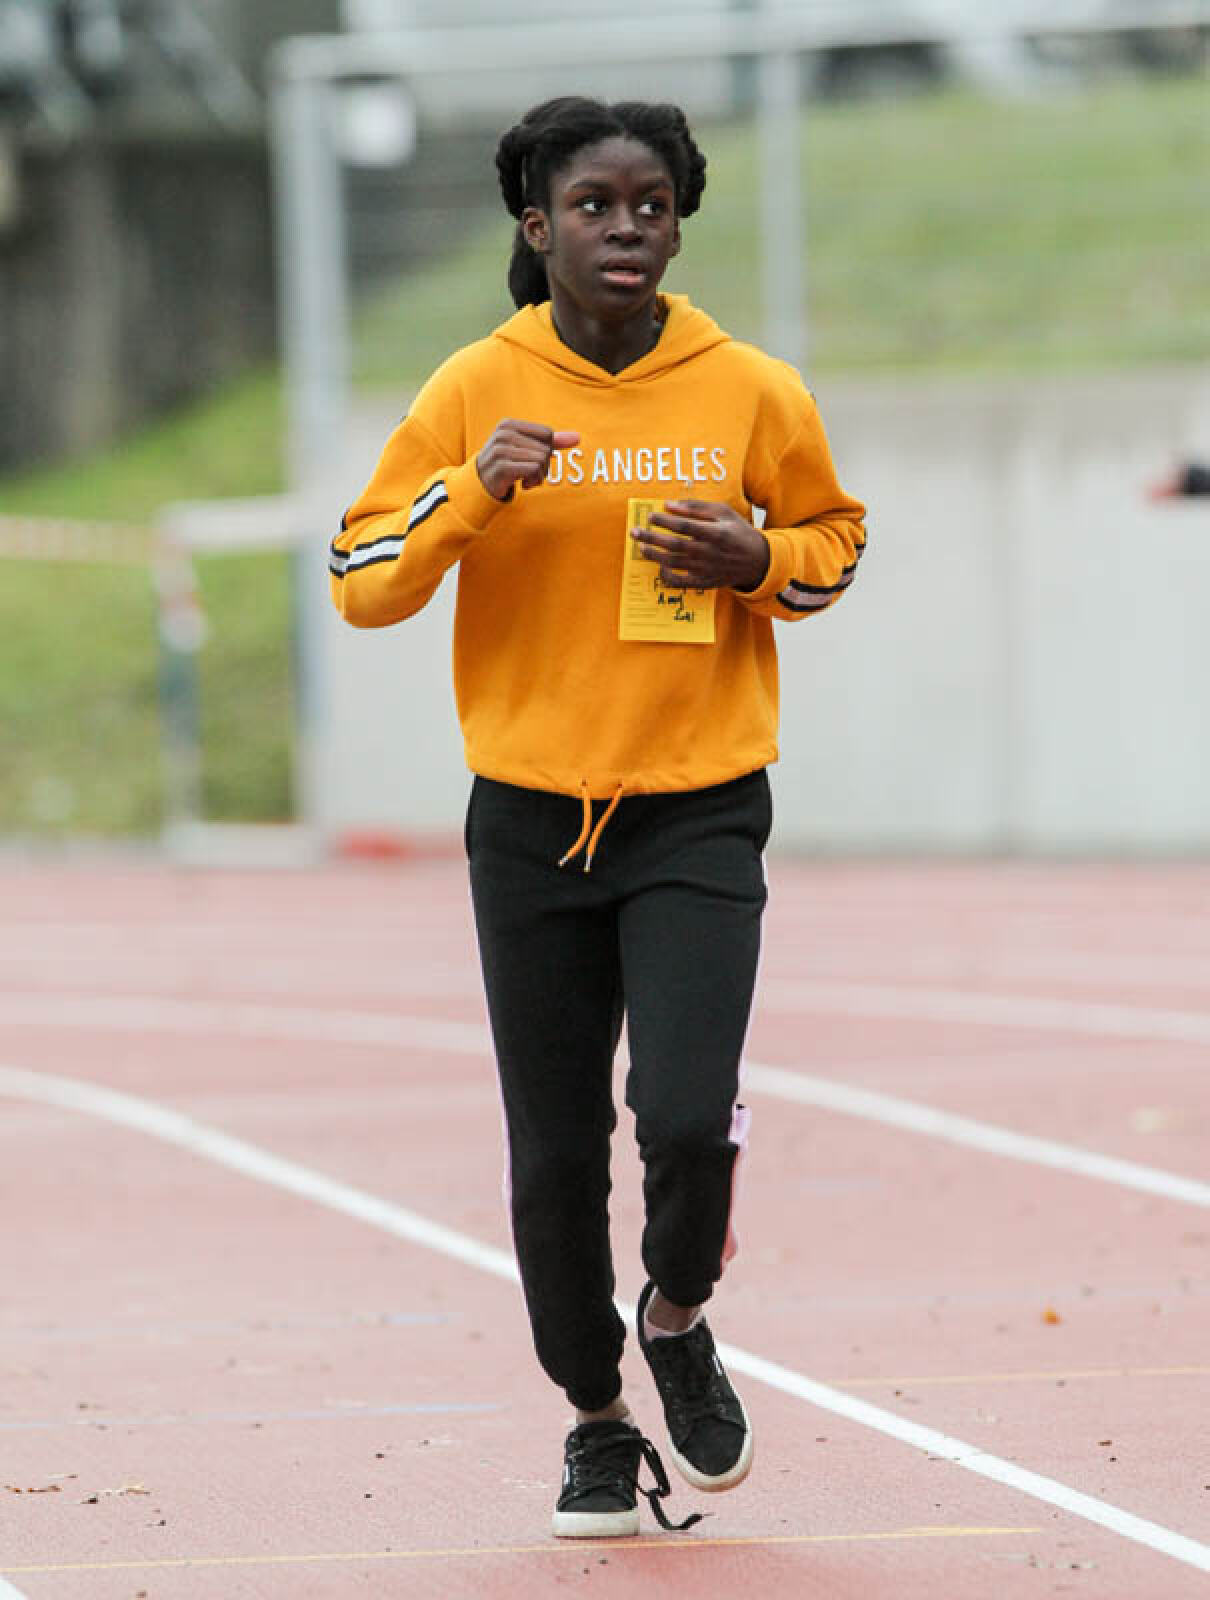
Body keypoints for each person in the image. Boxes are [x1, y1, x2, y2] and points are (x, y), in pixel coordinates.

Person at [329, 95, 867, 1539]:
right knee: (554, 1155)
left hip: (698, 811)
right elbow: (362, 578)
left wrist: (758, 557)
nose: (624, 228)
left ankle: (676, 1314)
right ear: (537, 225)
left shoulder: (748, 389)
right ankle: (595, 1416)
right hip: (528, 825)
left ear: (677, 226)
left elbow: (833, 545)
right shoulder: (476, 385)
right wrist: (471, 492)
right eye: (592, 206)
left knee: (684, 1116)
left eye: (650, 206)